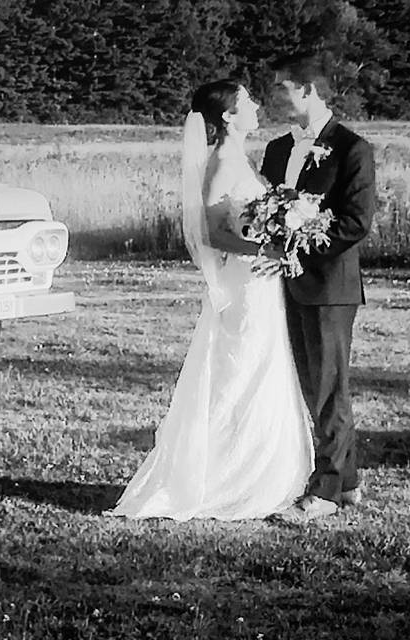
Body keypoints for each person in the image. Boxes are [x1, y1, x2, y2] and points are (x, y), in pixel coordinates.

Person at [105, 80, 314, 521]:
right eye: (247, 102)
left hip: (261, 281)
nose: (256, 106)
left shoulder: (240, 158)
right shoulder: (221, 163)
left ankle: (263, 472)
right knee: (241, 370)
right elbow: (213, 232)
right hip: (244, 283)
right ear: (228, 118)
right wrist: (267, 249)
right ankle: (228, 477)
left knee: (263, 365)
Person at [262, 52, 376, 521]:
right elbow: (265, 208)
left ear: (307, 91)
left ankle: (325, 490)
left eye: (282, 88)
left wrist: (299, 242)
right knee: (312, 387)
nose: (274, 96)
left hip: (330, 285)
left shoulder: (352, 148)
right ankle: (346, 482)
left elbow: (355, 222)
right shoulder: (275, 149)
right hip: (285, 286)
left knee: (329, 388)